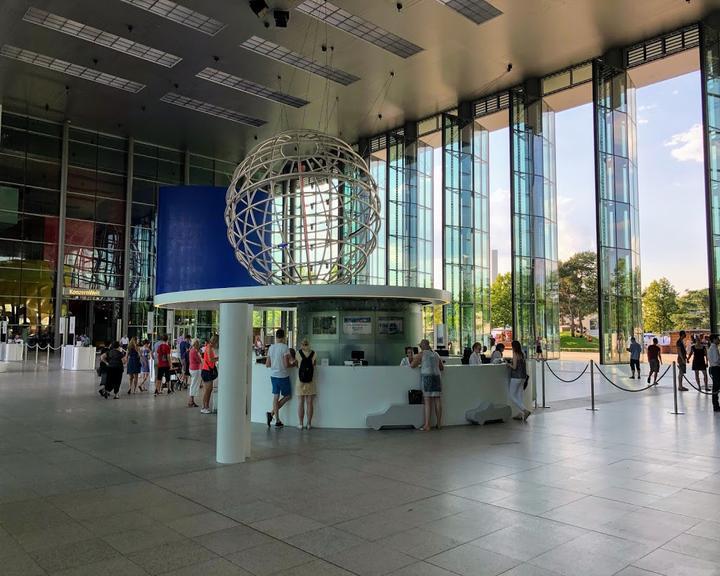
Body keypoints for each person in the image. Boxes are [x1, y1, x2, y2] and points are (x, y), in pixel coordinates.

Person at [411, 339, 443, 431]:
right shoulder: (436, 354)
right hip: (437, 377)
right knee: (437, 400)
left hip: (427, 377)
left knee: (427, 401)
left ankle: (427, 425)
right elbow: (441, 367)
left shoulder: (422, 354)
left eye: (420, 346)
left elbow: (412, 365)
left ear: (422, 346)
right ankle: (439, 424)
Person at [266, 329, 294, 427]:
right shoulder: (285, 347)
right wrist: (293, 364)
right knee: (288, 396)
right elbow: (286, 364)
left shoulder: (271, 348)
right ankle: (272, 413)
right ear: (283, 337)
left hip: (273, 376)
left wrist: (275, 364)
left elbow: (267, 364)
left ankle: (276, 419)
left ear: (276, 337)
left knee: (275, 396)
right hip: (283, 376)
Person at [296, 339, 317, 430]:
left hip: (300, 381)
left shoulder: (298, 353)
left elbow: (297, 365)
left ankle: (300, 424)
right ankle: (308, 424)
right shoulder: (314, 353)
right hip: (310, 381)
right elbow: (314, 365)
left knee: (301, 402)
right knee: (309, 403)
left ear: (301, 344)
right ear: (309, 344)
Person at [509, 340, 531, 422]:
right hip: (523, 377)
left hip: (516, 377)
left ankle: (524, 410)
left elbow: (514, 367)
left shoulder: (515, 354)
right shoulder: (522, 353)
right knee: (519, 396)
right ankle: (520, 414)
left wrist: (508, 365)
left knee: (511, 395)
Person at [200, 336, 219, 414]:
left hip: (207, 371)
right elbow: (211, 359)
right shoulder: (209, 348)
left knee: (209, 390)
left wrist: (216, 358)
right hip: (206, 371)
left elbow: (210, 359)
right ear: (215, 341)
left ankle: (206, 406)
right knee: (208, 390)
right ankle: (204, 407)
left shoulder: (209, 347)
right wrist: (219, 358)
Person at [187, 338, 202, 408]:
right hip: (195, 369)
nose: (199, 345)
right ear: (196, 344)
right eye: (198, 343)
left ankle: (192, 400)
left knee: (194, 384)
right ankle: (191, 400)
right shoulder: (194, 351)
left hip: (193, 368)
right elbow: (199, 360)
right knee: (194, 385)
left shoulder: (192, 350)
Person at [708, 333, 720, 413]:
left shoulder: (712, 347)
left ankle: (716, 405)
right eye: (717, 338)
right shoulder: (714, 348)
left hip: (713, 368)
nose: (719, 340)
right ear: (714, 339)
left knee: (715, 388)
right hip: (716, 368)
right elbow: (716, 360)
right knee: (716, 387)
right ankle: (716, 406)